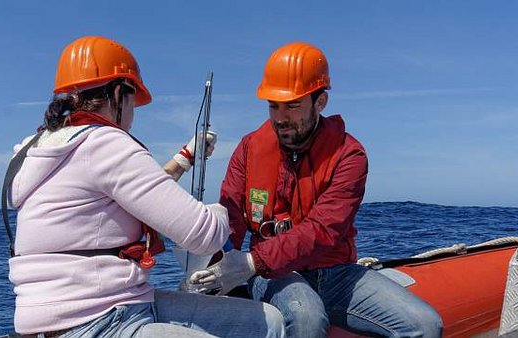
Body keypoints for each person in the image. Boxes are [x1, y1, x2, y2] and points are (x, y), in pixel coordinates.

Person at [6, 36, 284, 338]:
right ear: (118, 93)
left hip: (92, 310)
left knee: (267, 320)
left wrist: (185, 157)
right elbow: (204, 236)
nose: (133, 116)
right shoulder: (106, 143)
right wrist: (219, 211)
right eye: (132, 102)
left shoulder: (36, 150)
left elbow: (134, 194)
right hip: (97, 321)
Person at [189, 42, 443, 337]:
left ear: (320, 102)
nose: (280, 117)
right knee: (305, 315)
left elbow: (324, 229)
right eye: (273, 105)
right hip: (273, 274)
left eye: (293, 105)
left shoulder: (349, 155)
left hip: (336, 274)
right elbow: (230, 217)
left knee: (425, 325)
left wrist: (250, 261)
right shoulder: (248, 149)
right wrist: (215, 269)